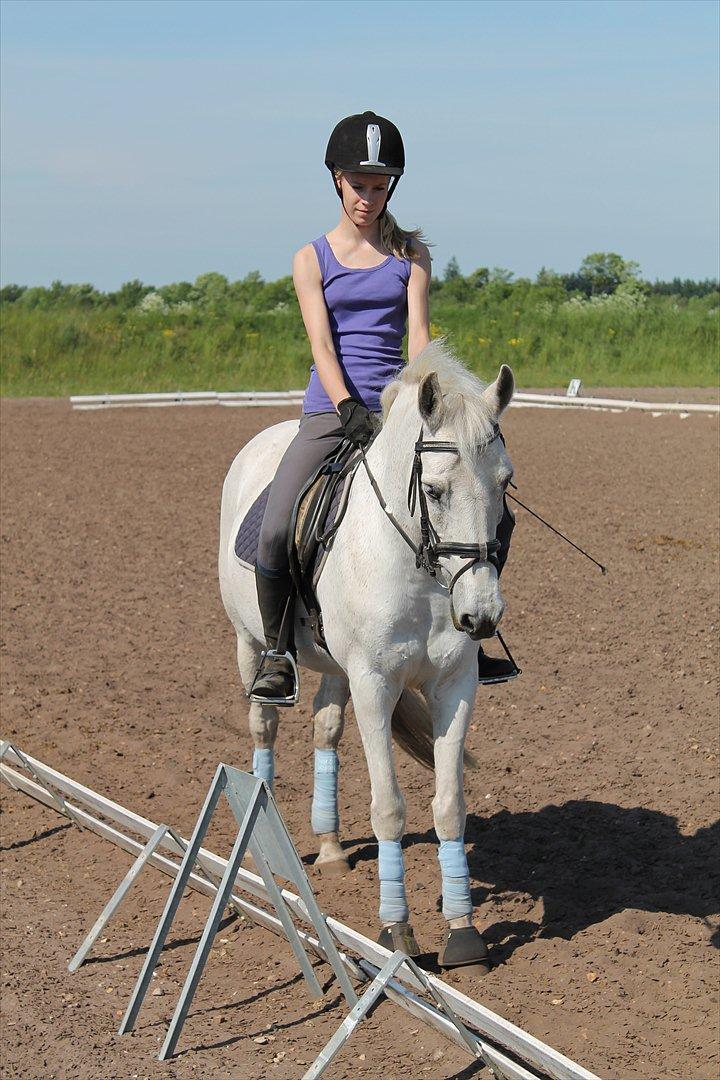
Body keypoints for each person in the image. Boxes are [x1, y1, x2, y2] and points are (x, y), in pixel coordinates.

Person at [251, 110, 515, 705]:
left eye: (378, 186)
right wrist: (347, 405)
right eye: (357, 185)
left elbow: (418, 337)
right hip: (332, 411)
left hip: (401, 413)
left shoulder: (411, 254)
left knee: (488, 508)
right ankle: (278, 653)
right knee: (275, 527)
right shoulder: (311, 259)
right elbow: (322, 346)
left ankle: (472, 631)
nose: (367, 198)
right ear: (336, 181)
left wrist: (438, 401)